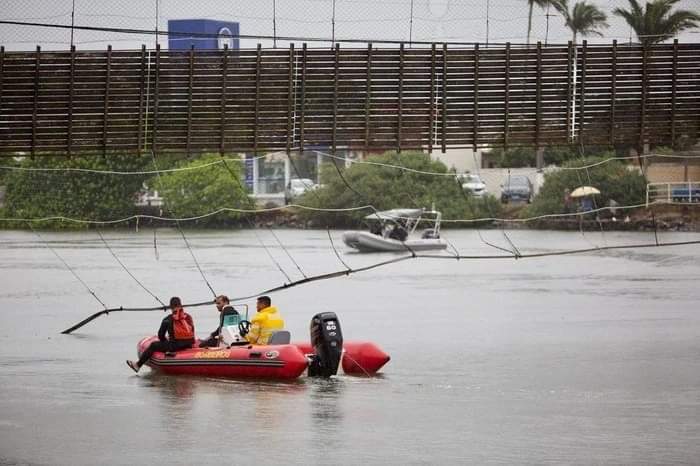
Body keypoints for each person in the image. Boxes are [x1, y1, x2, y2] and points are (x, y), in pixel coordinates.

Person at [126, 297, 195, 373]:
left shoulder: (167, 319)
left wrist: (166, 342)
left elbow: (161, 335)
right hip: (189, 344)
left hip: (175, 345)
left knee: (153, 345)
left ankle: (138, 365)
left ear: (170, 307)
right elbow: (192, 331)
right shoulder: (188, 317)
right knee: (175, 342)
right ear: (181, 305)